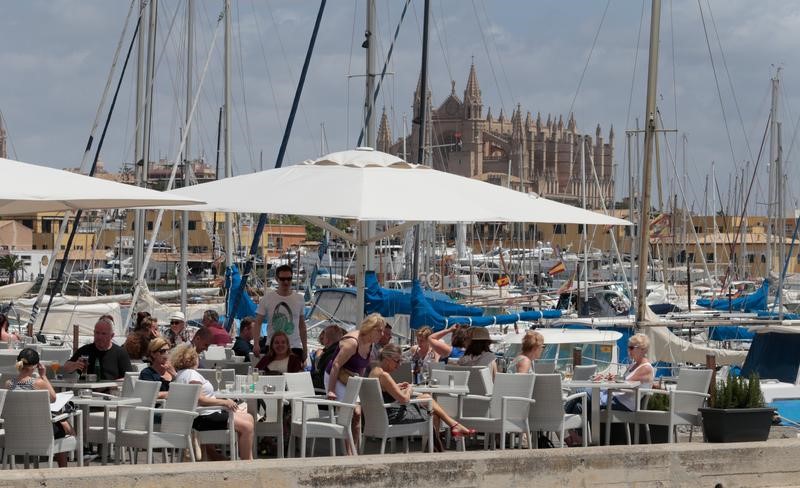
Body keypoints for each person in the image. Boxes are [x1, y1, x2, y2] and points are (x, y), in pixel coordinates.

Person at [370, 344, 474, 451]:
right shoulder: (384, 376)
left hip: (382, 415)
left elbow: (383, 391)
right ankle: (436, 445)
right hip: (394, 416)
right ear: (387, 359)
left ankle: (448, 431)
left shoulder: (374, 372)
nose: (399, 365)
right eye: (397, 361)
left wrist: (396, 387)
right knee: (433, 413)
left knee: (426, 397)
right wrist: (409, 389)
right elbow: (404, 400)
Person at [172, 344, 254, 461]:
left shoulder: (181, 374)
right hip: (204, 417)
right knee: (247, 426)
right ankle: (247, 462)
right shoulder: (192, 374)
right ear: (194, 358)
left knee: (249, 417)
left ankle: (247, 457)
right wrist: (223, 402)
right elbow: (200, 399)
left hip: (200, 416)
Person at [6, 348, 74, 467]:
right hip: (40, 430)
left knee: (62, 424)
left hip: (17, 431)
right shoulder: (38, 383)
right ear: (36, 366)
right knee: (65, 427)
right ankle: (65, 468)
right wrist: (44, 376)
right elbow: (53, 398)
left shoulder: (8, 384)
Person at [325, 313, 386, 401]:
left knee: (360, 408)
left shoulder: (370, 344)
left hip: (350, 380)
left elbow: (362, 367)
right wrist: (331, 390)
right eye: (379, 331)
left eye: (383, 331)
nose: (382, 334)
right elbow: (336, 365)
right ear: (369, 328)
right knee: (351, 410)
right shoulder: (352, 343)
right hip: (335, 377)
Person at [253, 264, 307, 361]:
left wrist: (305, 348)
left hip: (295, 347)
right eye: (282, 279)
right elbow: (257, 323)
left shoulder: (300, 299)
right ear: (277, 279)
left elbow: (302, 326)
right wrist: (256, 344)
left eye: (289, 279)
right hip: (272, 346)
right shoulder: (267, 299)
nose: (286, 282)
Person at [63, 318, 133, 380]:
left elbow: (129, 378)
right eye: (97, 333)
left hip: (110, 392)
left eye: (103, 334)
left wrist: (113, 384)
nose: (99, 337)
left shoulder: (120, 353)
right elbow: (66, 368)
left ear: (112, 336)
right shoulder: (85, 350)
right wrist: (75, 365)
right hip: (86, 391)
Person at [310, 323, 345, 390]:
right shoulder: (342, 352)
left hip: (324, 391)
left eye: (324, 337)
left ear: (327, 340)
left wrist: (307, 379)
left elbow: (322, 380)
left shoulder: (330, 355)